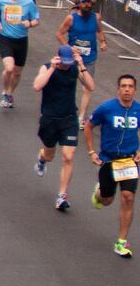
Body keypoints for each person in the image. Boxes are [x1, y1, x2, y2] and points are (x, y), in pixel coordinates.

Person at [34, 44, 94, 212]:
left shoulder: (75, 69)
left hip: (69, 119)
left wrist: (81, 64)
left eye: (69, 62)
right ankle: (42, 158)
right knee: (50, 154)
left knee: (68, 156)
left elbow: (91, 86)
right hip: (50, 119)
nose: (67, 66)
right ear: (58, 57)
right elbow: (37, 86)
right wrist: (52, 68)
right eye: (64, 62)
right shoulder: (47, 67)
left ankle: (62, 196)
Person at [88, 74, 140, 257]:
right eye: (123, 86)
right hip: (109, 160)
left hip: (129, 162)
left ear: (135, 89)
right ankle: (99, 193)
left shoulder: (138, 110)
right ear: (118, 89)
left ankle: (121, 241)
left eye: (130, 86)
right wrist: (92, 152)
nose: (127, 89)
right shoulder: (107, 108)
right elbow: (89, 125)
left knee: (128, 197)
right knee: (107, 200)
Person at [57, 0, 108, 125]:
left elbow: (99, 31)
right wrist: (68, 48)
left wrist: (103, 42)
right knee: (68, 84)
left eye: (89, 2)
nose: (87, 5)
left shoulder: (96, 17)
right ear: (79, 4)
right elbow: (59, 34)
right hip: (72, 59)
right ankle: (66, 109)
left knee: (87, 88)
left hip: (89, 58)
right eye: (84, 2)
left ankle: (81, 117)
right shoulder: (71, 18)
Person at [0, 0, 40, 108]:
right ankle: (5, 91)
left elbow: (36, 20)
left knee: (17, 72)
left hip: (21, 40)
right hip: (5, 38)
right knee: (9, 68)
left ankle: (10, 93)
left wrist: (29, 23)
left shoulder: (28, 3)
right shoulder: (2, 0)